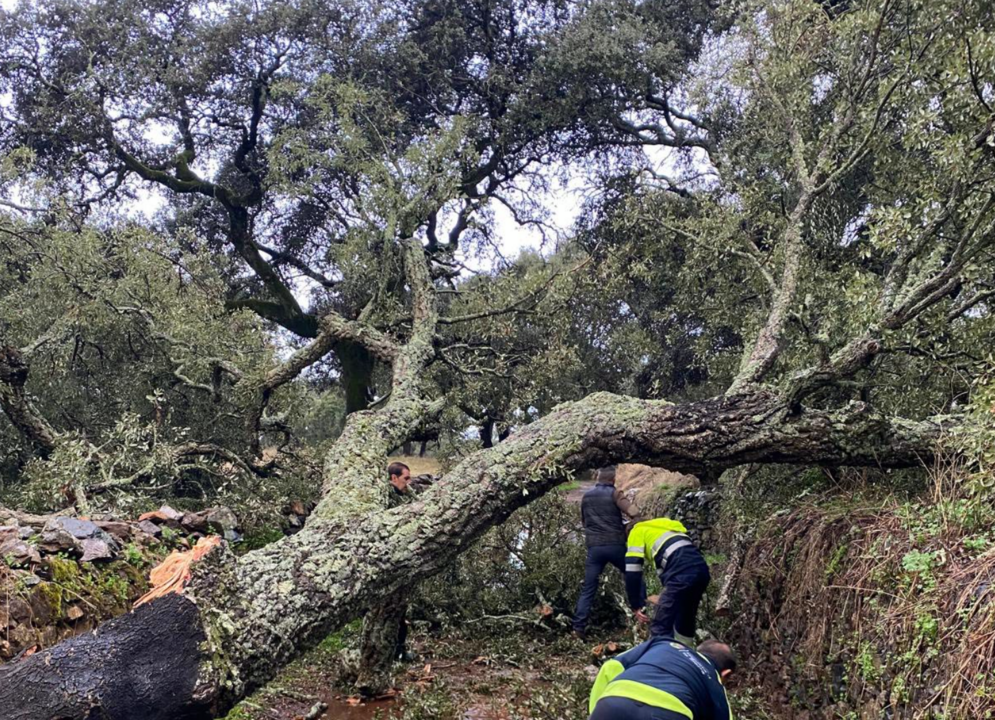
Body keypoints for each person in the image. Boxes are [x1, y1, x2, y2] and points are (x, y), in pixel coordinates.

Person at [573, 465, 645, 640]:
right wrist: (627, 528)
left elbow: (584, 522)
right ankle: (642, 614)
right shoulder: (615, 494)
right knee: (634, 577)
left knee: (589, 588)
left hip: (594, 548)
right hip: (616, 546)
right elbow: (635, 513)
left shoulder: (587, 496)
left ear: (598, 478)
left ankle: (578, 628)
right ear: (613, 479)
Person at [588, 637, 736, 720]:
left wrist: (596, 711)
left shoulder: (662, 643)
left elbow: (611, 666)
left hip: (613, 703)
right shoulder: (715, 684)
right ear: (726, 674)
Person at [625, 517, 710, 646]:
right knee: (685, 616)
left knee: (661, 623)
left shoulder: (637, 531)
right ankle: (686, 653)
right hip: (701, 571)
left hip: (681, 574)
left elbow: (632, 571)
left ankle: (660, 658)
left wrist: (635, 604)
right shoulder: (666, 528)